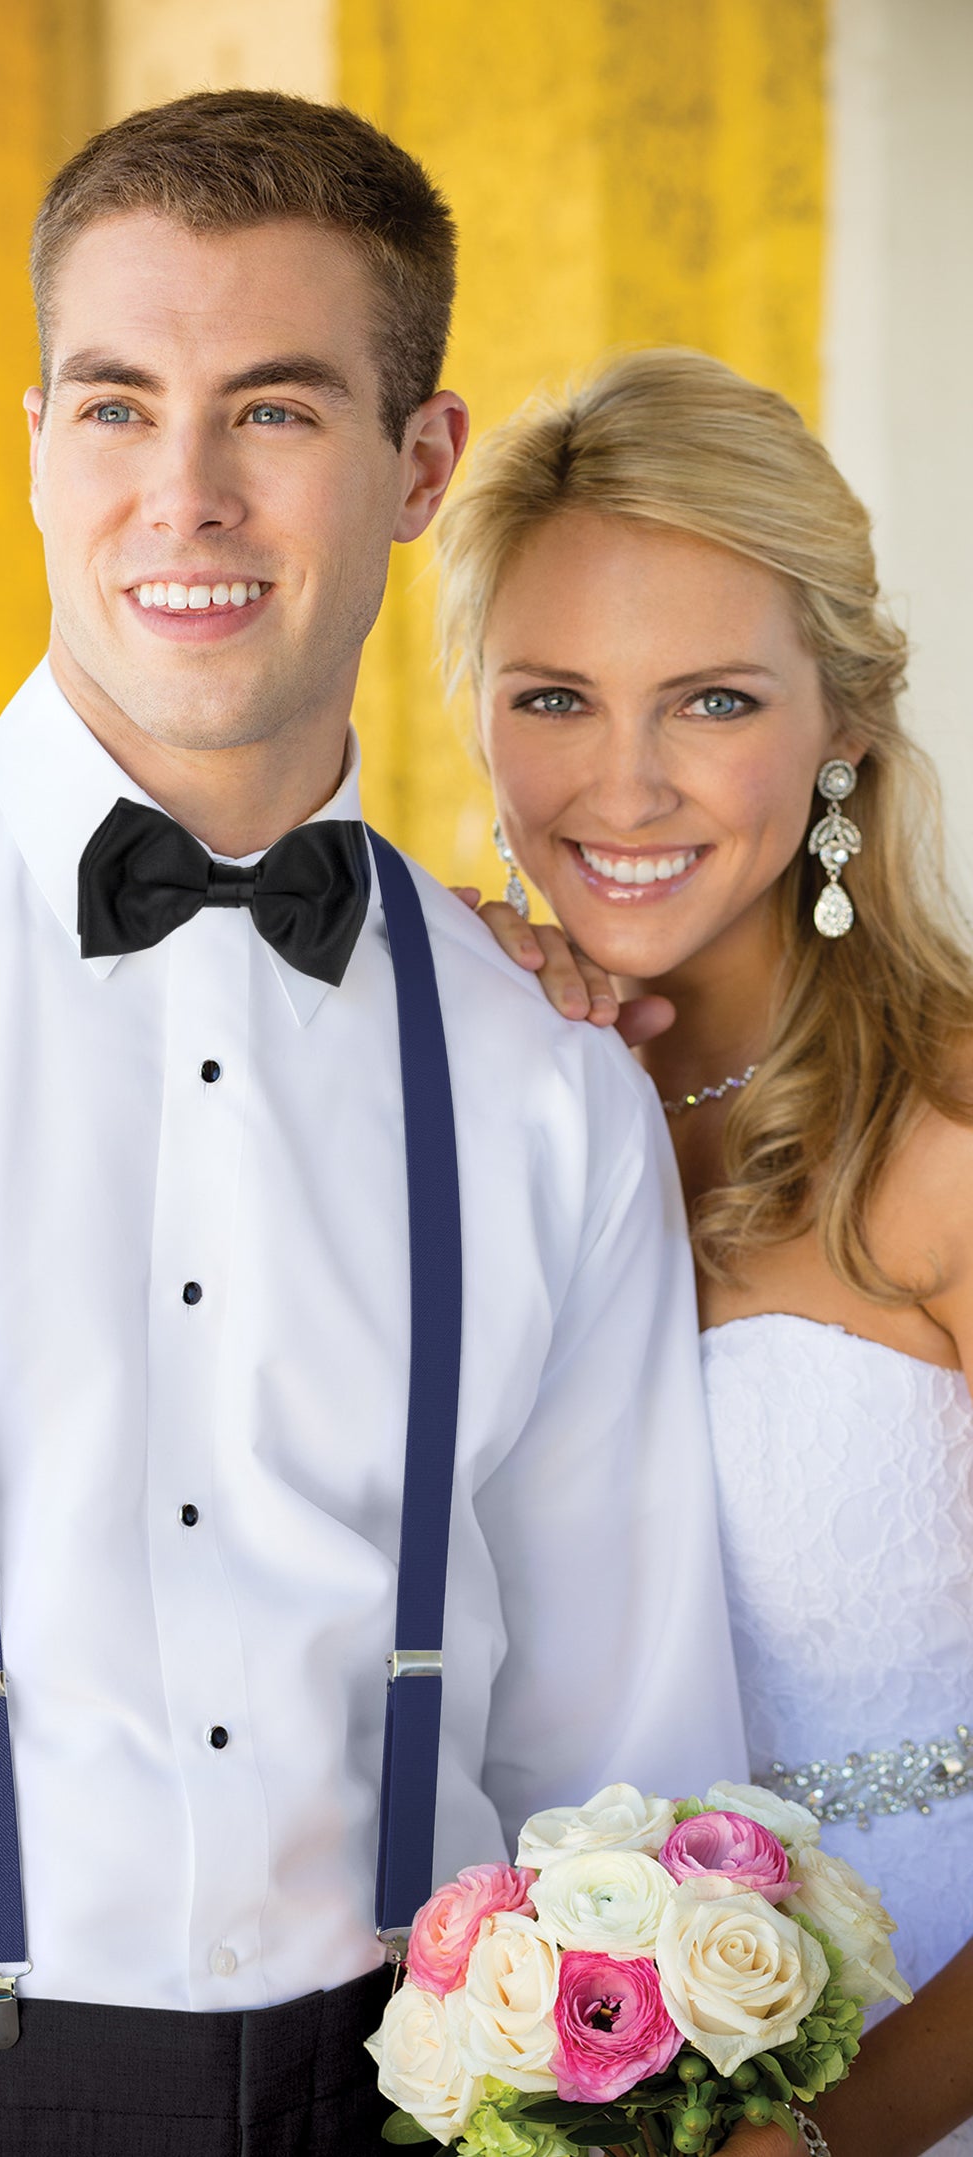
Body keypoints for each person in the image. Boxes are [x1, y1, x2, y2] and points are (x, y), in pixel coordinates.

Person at [0, 103, 746, 2157]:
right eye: (116, 406)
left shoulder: (544, 1073)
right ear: (34, 445)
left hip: (413, 2107)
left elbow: (621, 1747)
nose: (183, 495)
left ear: (420, 465)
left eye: (272, 411)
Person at [441, 346, 973, 2157]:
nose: (625, 785)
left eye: (715, 701)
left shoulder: (958, 1136)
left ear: (840, 721)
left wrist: (827, 2142)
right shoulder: (436, 1099)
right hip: (516, 2077)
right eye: (557, 697)